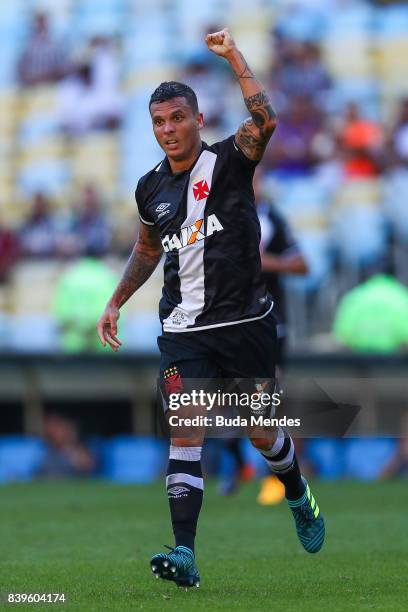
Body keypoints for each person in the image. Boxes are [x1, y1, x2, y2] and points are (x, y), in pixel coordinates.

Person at [97, 28, 325, 589]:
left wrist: (233, 57)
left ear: (197, 120)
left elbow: (266, 121)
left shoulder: (230, 161)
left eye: (177, 118)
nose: (167, 130)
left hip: (246, 322)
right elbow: (149, 248)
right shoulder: (150, 189)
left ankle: (296, 490)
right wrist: (117, 300)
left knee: (260, 433)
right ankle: (185, 553)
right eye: (158, 122)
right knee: (185, 430)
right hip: (183, 330)